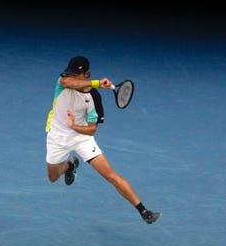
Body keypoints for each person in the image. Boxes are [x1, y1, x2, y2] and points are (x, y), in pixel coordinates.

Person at [45, 55, 161, 224]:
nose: (70, 76)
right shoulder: (63, 81)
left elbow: (91, 130)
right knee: (53, 177)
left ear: (87, 73)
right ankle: (70, 164)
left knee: (111, 176)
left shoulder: (94, 98)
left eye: (76, 74)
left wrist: (74, 127)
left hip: (81, 137)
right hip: (57, 137)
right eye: (70, 73)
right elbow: (68, 83)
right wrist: (98, 83)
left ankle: (144, 211)